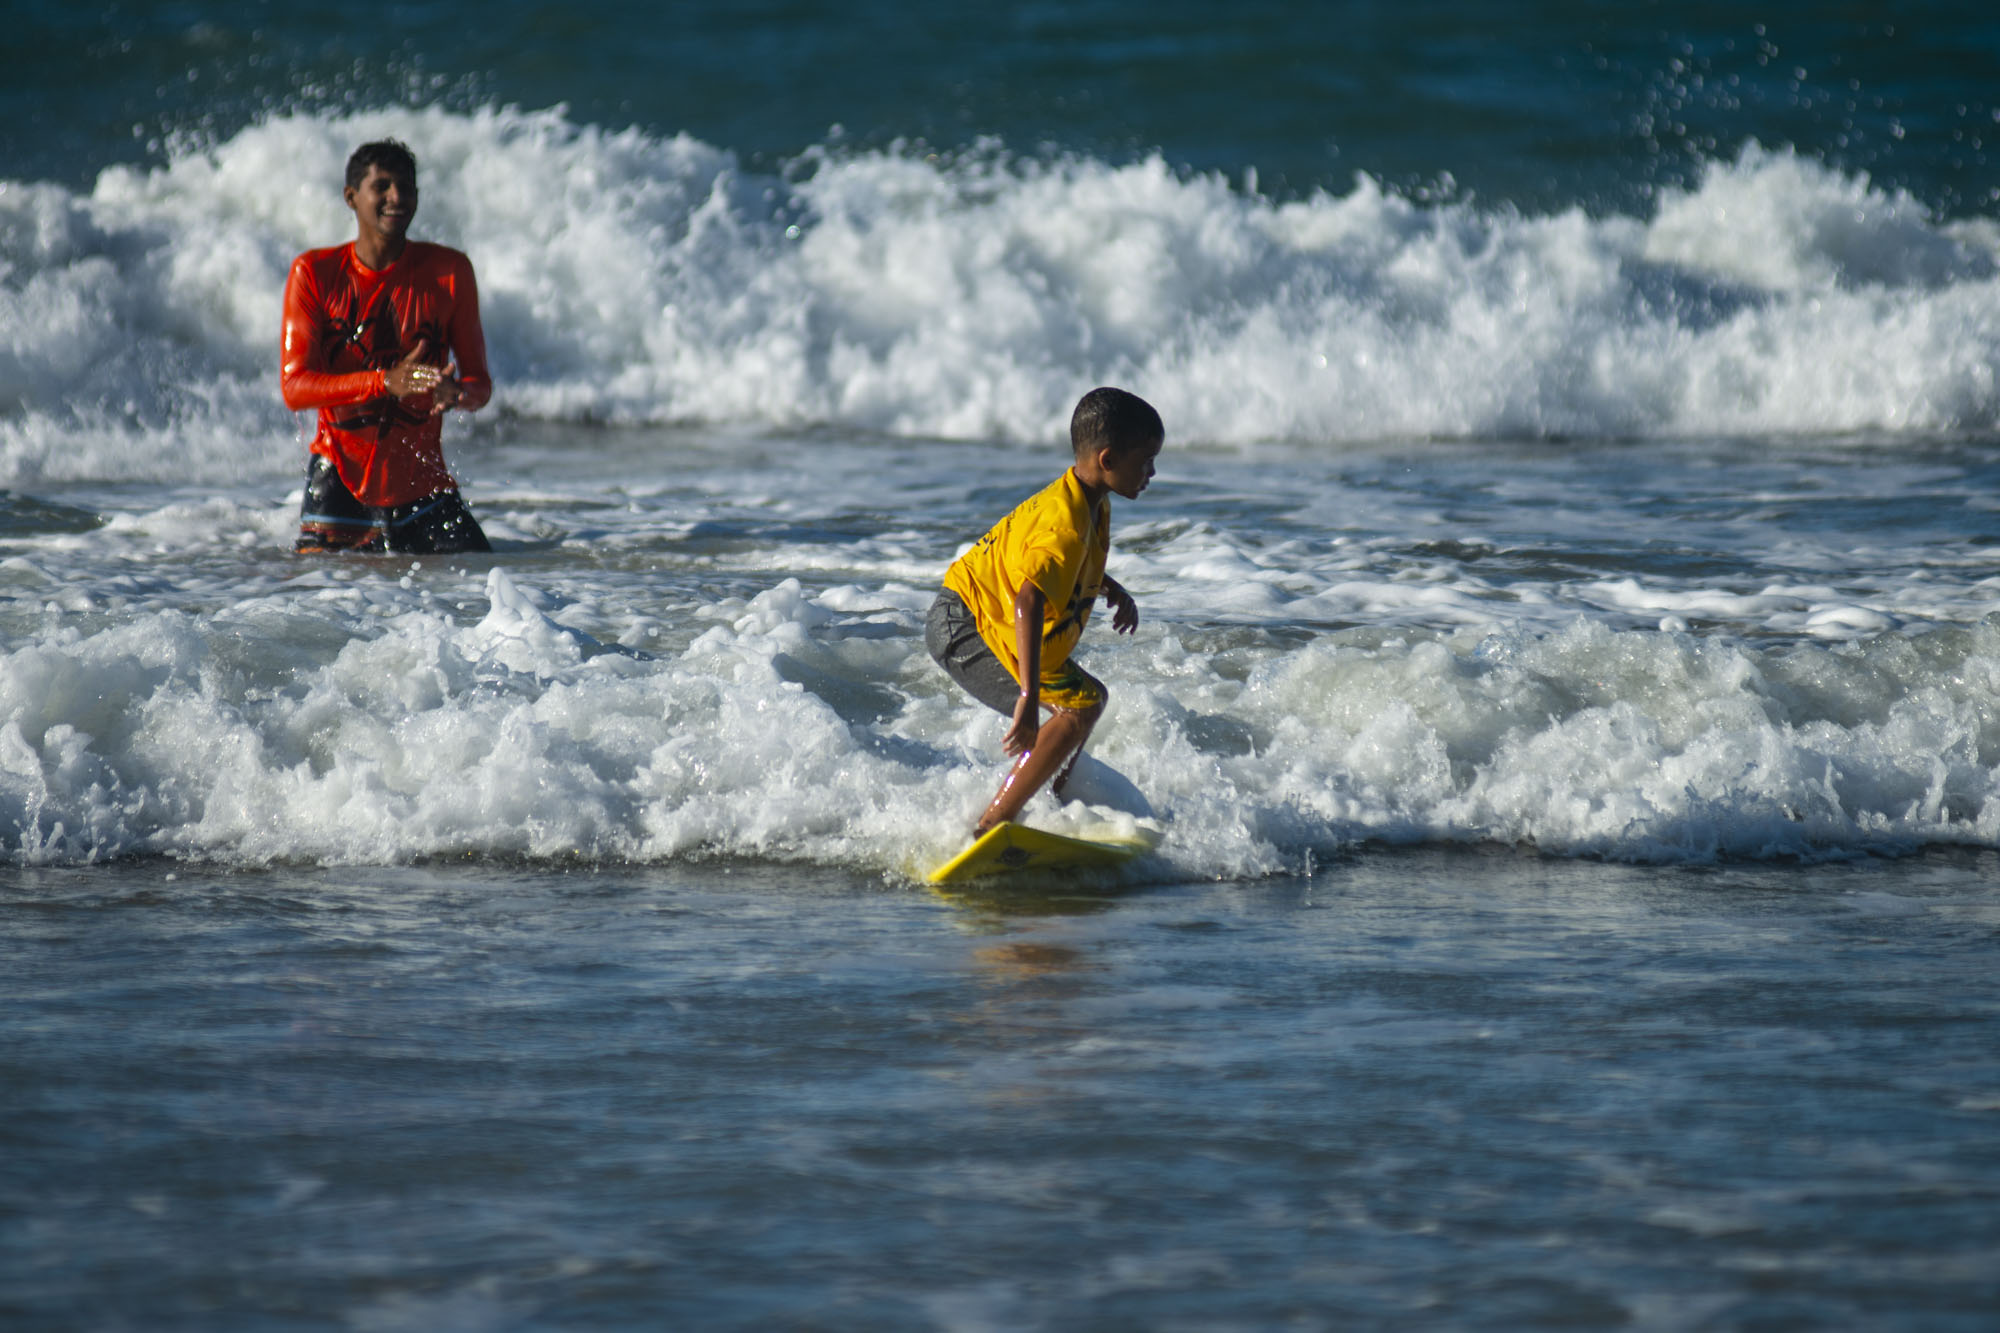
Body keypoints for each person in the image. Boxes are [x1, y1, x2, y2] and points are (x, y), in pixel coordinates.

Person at [926, 386, 1163, 834]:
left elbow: (1050, 563)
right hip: (967, 624)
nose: (1152, 472)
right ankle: (994, 824)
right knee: (1075, 709)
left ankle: (1048, 803)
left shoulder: (1091, 502)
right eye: (1145, 461)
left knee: (1087, 701)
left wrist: (1109, 588)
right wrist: (1029, 697)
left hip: (983, 611)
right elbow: (1029, 600)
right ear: (1107, 460)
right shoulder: (1066, 525)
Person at [280, 139, 492, 554]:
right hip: (339, 483)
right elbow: (295, 388)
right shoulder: (315, 273)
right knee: (319, 609)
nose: (397, 197)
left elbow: (479, 386)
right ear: (351, 197)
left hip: (423, 484)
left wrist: (457, 394)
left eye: (406, 187)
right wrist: (384, 382)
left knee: (485, 585)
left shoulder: (450, 272)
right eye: (382, 186)